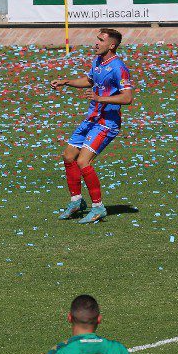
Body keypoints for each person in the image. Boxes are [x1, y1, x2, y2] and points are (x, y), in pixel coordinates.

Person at [50, 29, 133, 224]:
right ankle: (76, 202)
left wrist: (99, 97)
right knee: (68, 156)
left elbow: (127, 98)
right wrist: (66, 82)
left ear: (111, 45)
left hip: (107, 123)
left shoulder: (118, 67)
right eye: (97, 39)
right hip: (92, 118)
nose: (96, 43)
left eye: (100, 40)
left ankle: (98, 207)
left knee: (83, 161)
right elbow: (90, 81)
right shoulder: (98, 62)